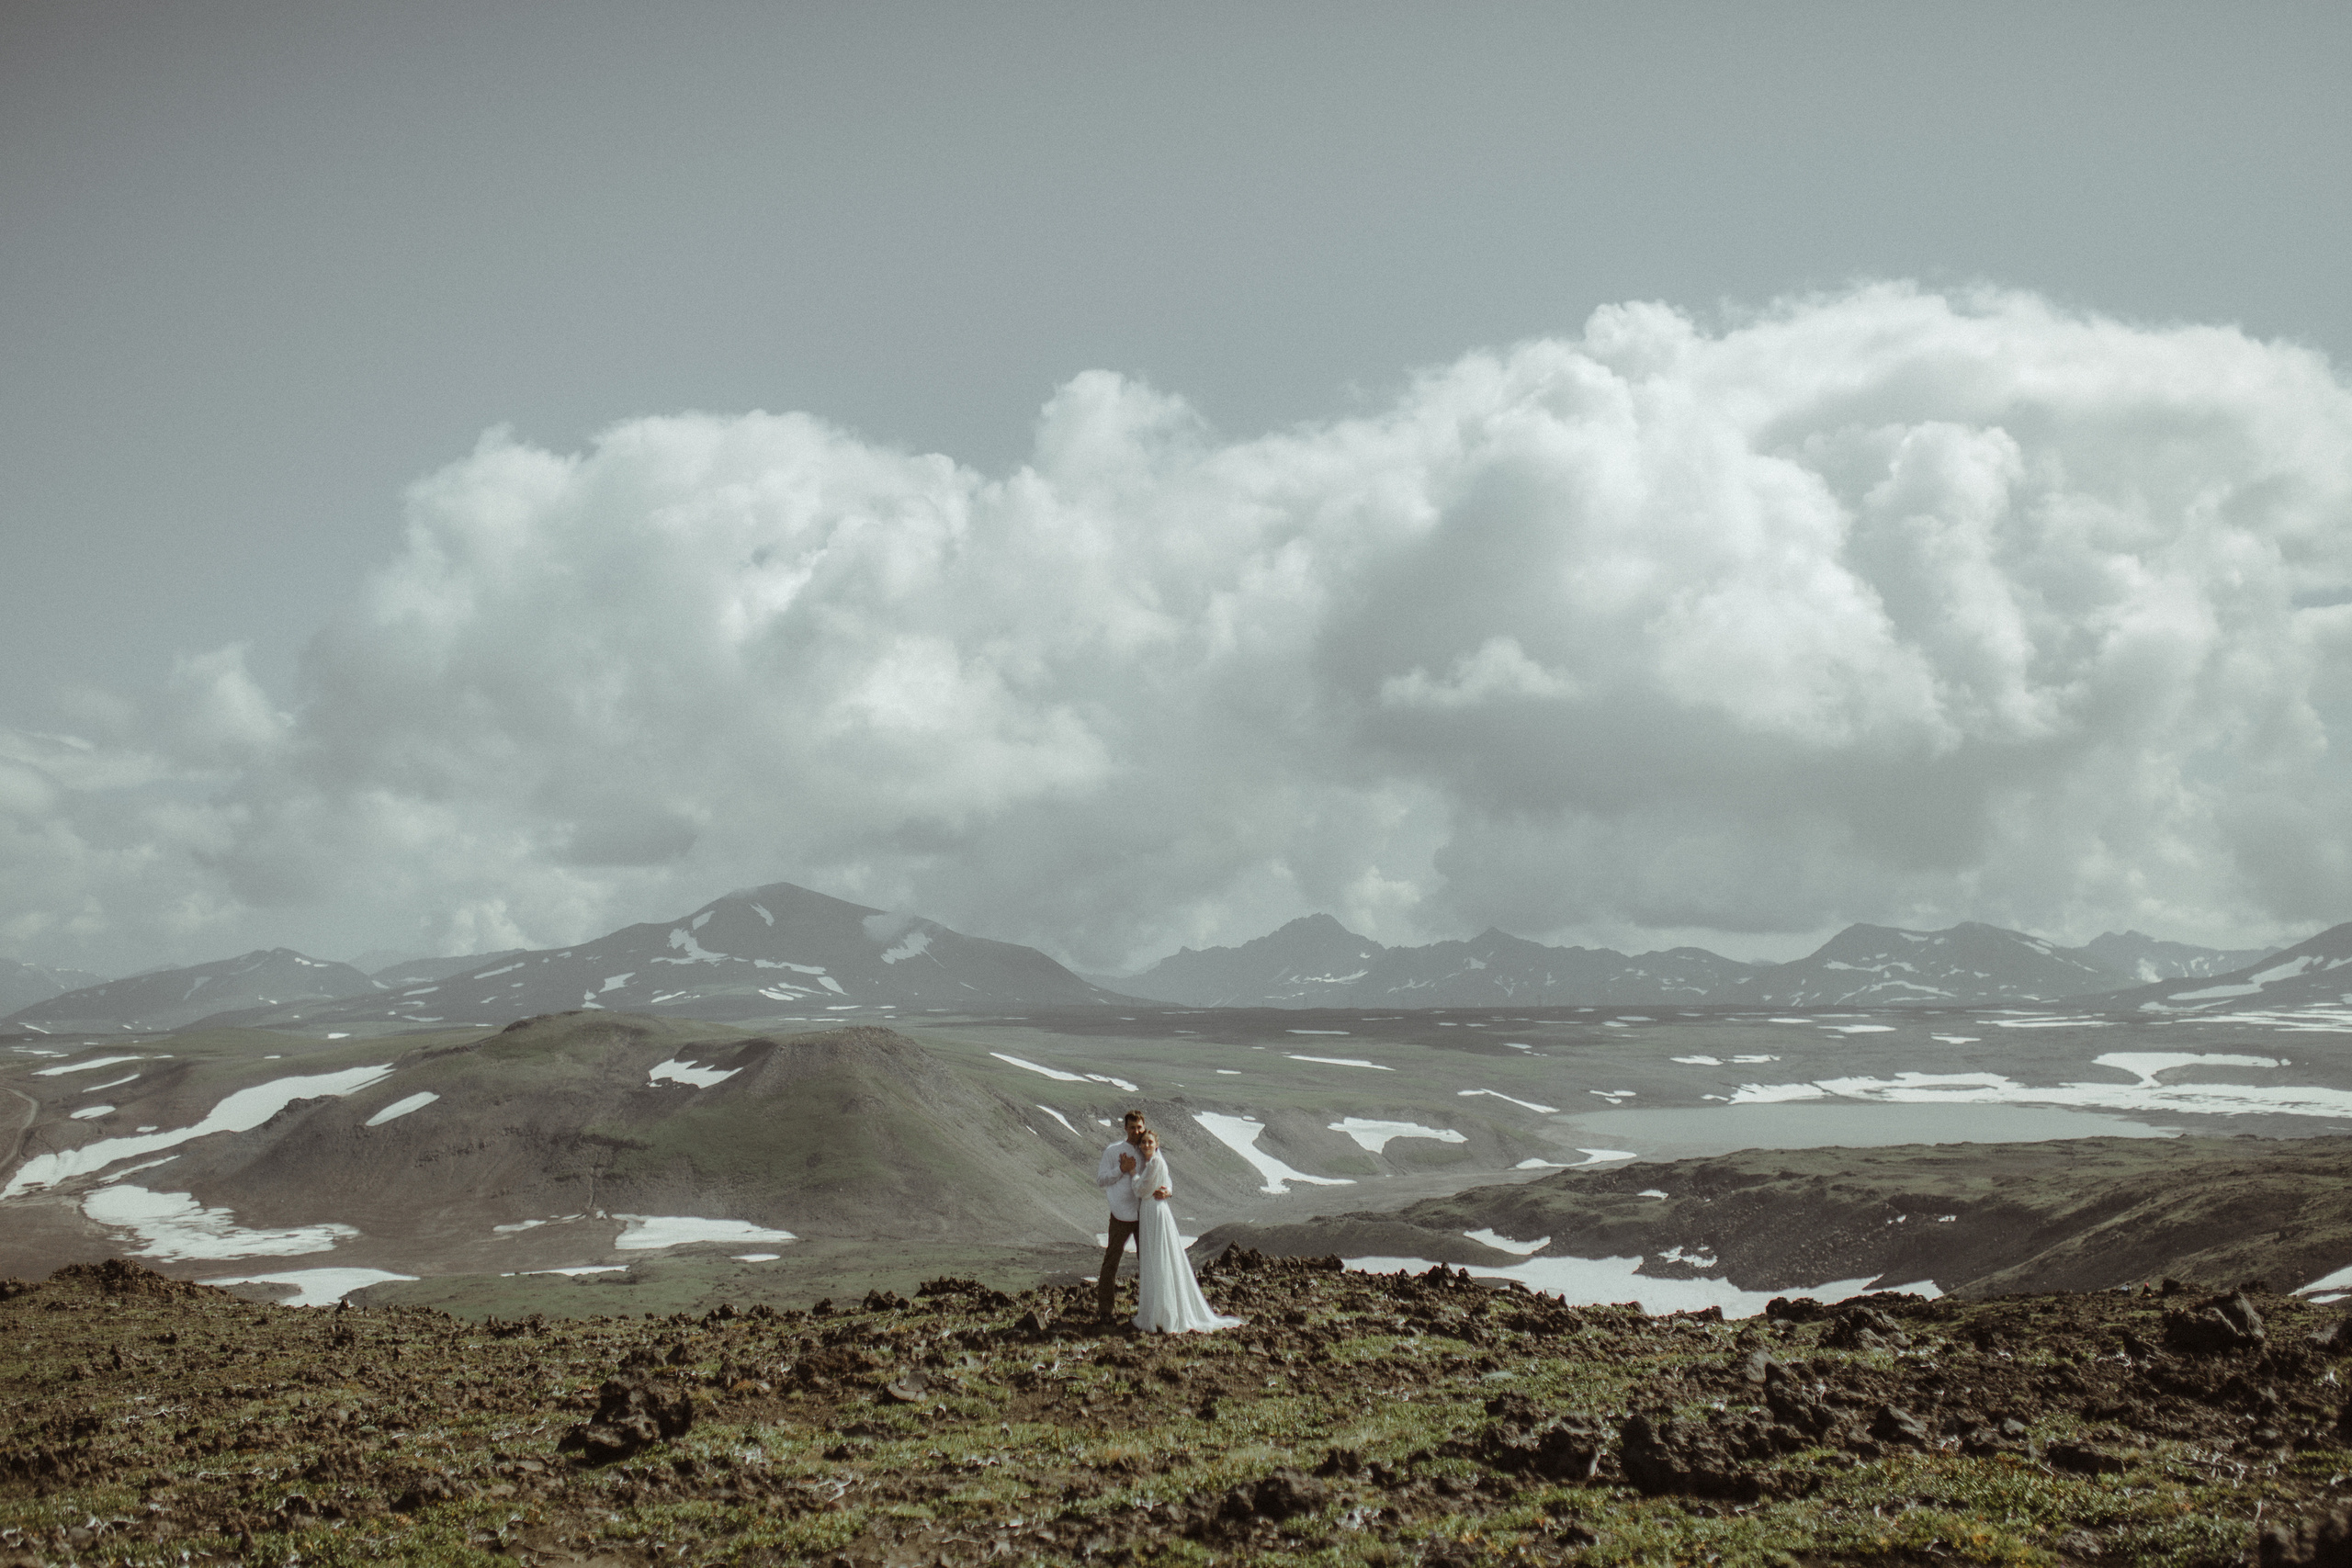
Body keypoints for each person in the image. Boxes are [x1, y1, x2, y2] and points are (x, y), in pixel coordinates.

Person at [1130, 1128, 1241, 1335]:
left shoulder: (1155, 1163)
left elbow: (1141, 1190)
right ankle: (1159, 1310)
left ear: (1157, 1144)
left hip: (1154, 1210)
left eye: (1149, 1142)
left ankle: (1164, 1313)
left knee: (1160, 1257)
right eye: (1143, 1142)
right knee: (1157, 1257)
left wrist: (1132, 1174)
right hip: (1151, 1211)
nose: (1146, 1145)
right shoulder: (1152, 1162)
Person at [1094, 1110, 1150, 1321]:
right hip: (1120, 1216)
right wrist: (1121, 1168)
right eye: (1132, 1127)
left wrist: (1167, 1191)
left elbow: (1161, 1173)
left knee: (1146, 1262)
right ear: (1125, 1128)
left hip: (1143, 1214)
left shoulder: (1148, 1149)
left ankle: (1147, 1308)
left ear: (1144, 1127)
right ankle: (1105, 1310)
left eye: (1139, 1127)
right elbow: (1101, 1179)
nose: (1136, 1131)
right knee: (1111, 1262)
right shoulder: (1113, 1151)